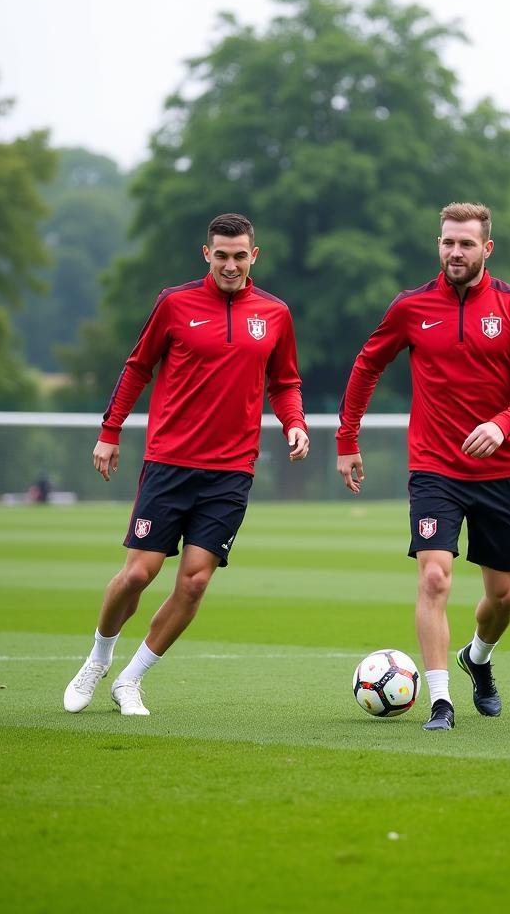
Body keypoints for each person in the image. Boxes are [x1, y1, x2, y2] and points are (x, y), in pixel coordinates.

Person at [63, 213, 309, 716]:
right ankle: (97, 660)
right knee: (137, 574)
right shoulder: (175, 303)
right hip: (169, 463)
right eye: (222, 255)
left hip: (232, 471)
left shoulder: (276, 314)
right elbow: (137, 367)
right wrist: (110, 432)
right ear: (206, 254)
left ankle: (130, 681)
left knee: (195, 580)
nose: (231, 265)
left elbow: (284, 383)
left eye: (240, 255)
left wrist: (295, 423)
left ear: (253, 256)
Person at [336, 202, 510, 731]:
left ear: (487, 248)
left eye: (466, 243)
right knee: (434, 577)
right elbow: (368, 363)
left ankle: (477, 657)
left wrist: (502, 423)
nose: (455, 252)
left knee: (503, 596)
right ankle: (441, 701)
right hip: (435, 468)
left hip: (503, 469)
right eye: (447, 242)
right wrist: (347, 437)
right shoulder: (412, 307)